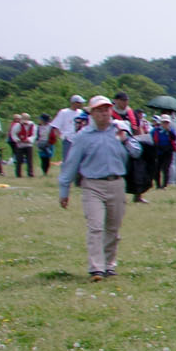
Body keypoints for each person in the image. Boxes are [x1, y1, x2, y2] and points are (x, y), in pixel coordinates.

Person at [59, 97, 143, 280]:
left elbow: (137, 152)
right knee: (96, 226)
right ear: (91, 113)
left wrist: (125, 140)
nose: (104, 113)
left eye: (107, 109)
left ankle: (109, 265)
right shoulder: (83, 136)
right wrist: (64, 190)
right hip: (92, 185)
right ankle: (96, 268)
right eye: (99, 110)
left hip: (117, 183)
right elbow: (71, 164)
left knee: (113, 228)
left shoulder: (120, 128)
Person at [109, 91, 156, 203]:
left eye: (126, 100)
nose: (125, 103)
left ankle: (138, 195)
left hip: (132, 144)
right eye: (122, 100)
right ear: (116, 101)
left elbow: (138, 127)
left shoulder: (131, 112)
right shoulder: (109, 112)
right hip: (116, 143)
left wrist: (139, 140)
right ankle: (119, 196)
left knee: (139, 170)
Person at [51, 93, 87, 161]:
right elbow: (55, 126)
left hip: (79, 138)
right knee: (67, 159)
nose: (81, 104)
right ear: (73, 103)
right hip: (68, 138)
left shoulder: (81, 113)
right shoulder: (64, 112)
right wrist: (61, 136)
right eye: (79, 103)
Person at [148, 116, 176, 189]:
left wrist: (169, 131)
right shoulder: (155, 130)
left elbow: (174, 138)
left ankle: (165, 185)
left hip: (168, 151)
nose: (165, 124)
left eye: (167, 122)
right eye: (164, 122)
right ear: (161, 122)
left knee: (166, 168)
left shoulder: (171, 130)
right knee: (157, 169)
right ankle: (158, 185)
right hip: (158, 151)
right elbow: (150, 138)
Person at [10, 113, 37, 178]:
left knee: (29, 160)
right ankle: (18, 174)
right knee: (19, 160)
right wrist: (17, 140)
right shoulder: (17, 125)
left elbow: (34, 135)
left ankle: (30, 173)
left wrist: (29, 139)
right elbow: (13, 134)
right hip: (20, 145)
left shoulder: (33, 125)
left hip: (28, 145)